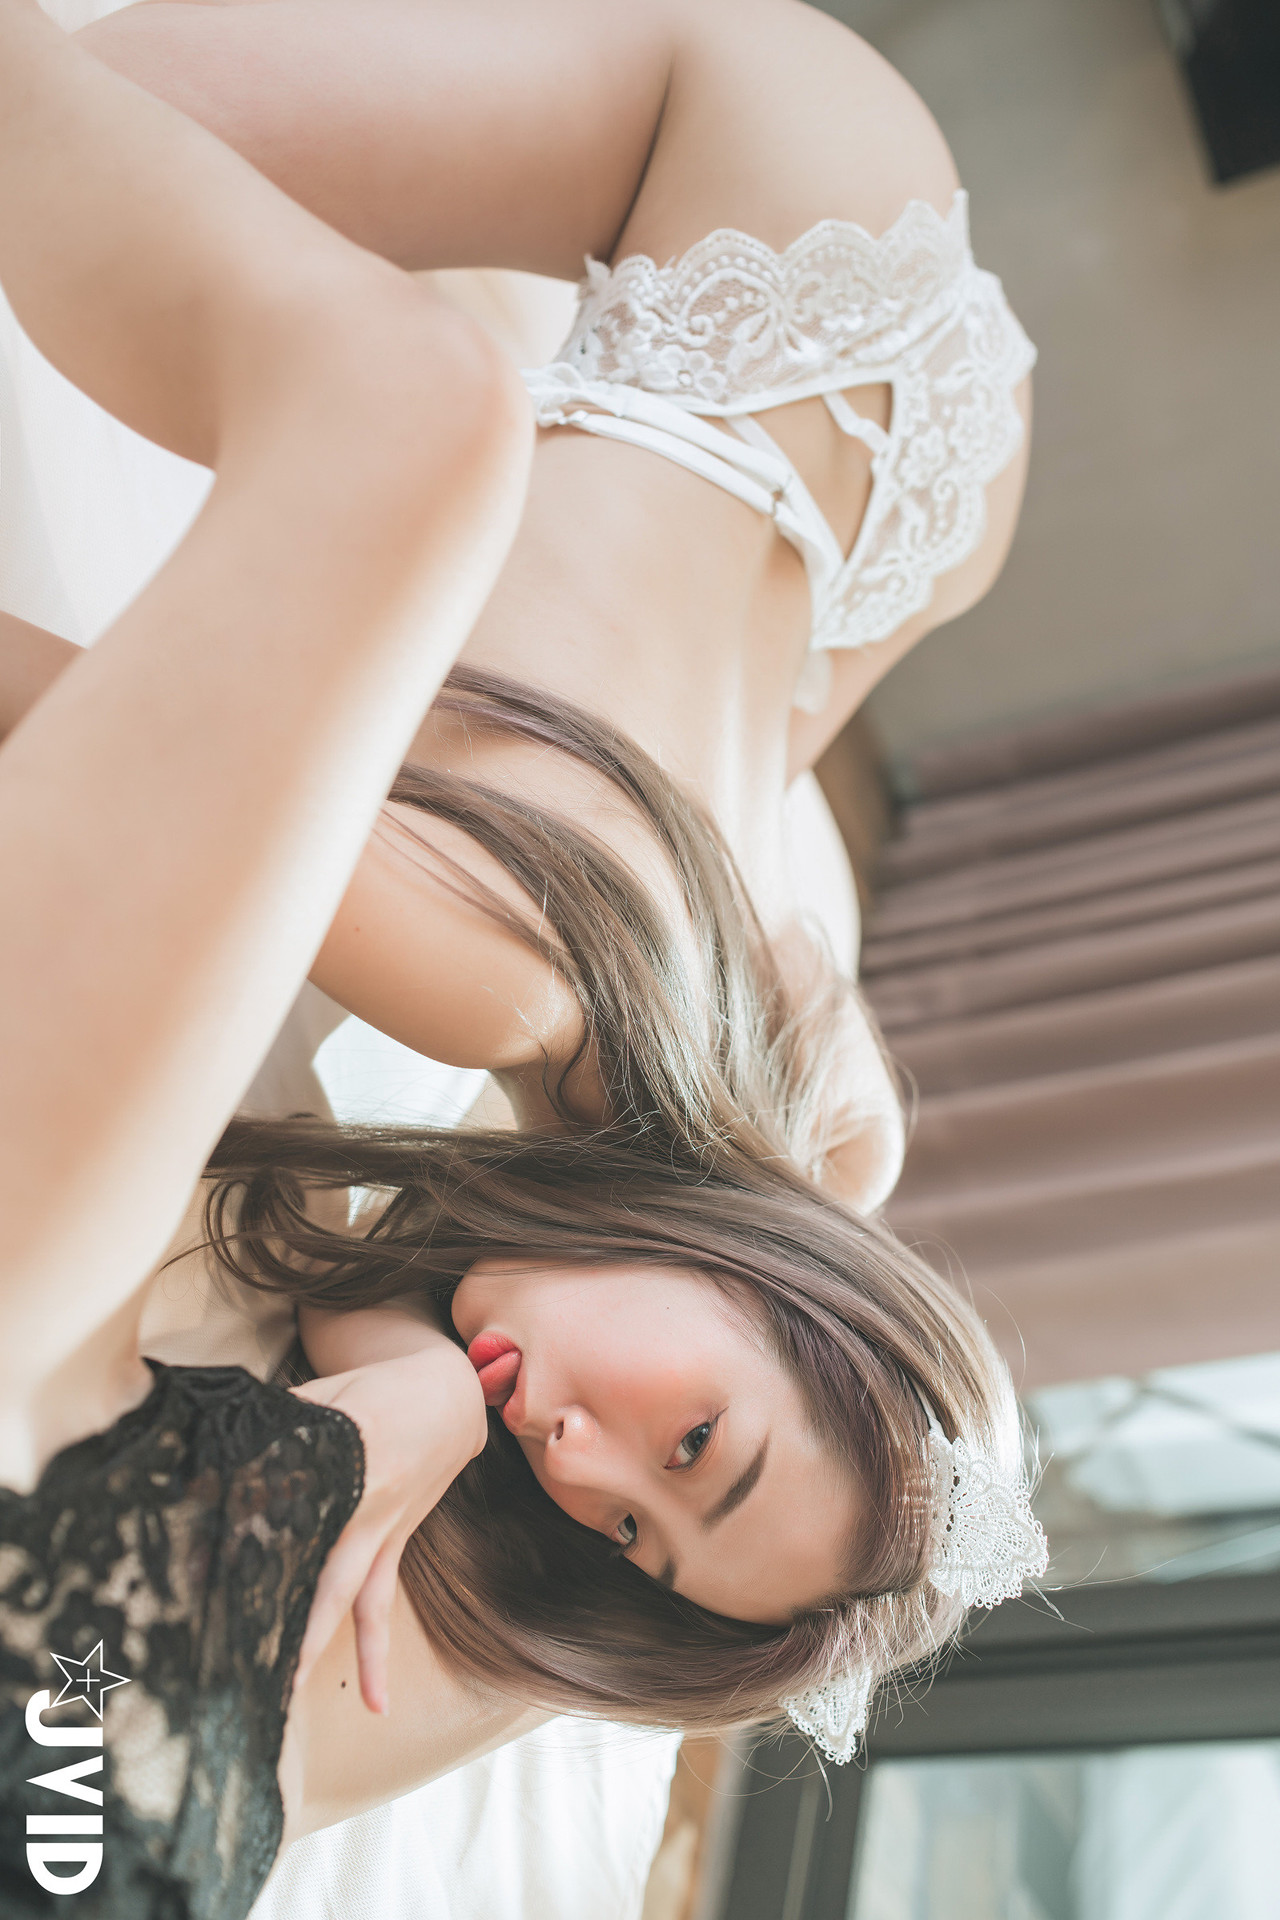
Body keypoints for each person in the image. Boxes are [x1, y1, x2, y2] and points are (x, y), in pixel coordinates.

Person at [0, 6, 1044, 1915]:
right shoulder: (502, 974)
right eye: (693, 1447)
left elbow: (841, 1167)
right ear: (774, 1279)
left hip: (908, 517)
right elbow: (82, 720)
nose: (575, 1465)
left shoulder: (796, 1125)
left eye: (631, 1536)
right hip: (780, 208)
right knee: (133, 141)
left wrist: (417, 1375)